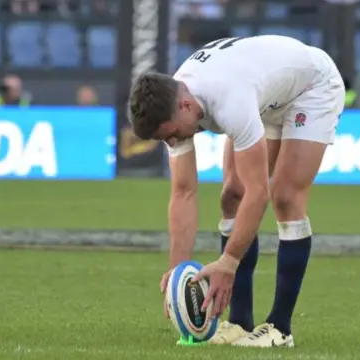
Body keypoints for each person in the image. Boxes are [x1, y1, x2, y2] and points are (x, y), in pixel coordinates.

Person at [127, 35, 345, 348]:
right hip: (265, 92)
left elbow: (260, 194)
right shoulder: (172, 103)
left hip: (311, 87)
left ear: (186, 106)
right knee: (232, 194)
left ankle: (280, 328)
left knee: (284, 196)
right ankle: (240, 322)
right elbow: (183, 192)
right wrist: (177, 273)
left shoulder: (229, 102)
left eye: (173, 135)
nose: (173, 142)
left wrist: (228, 262)